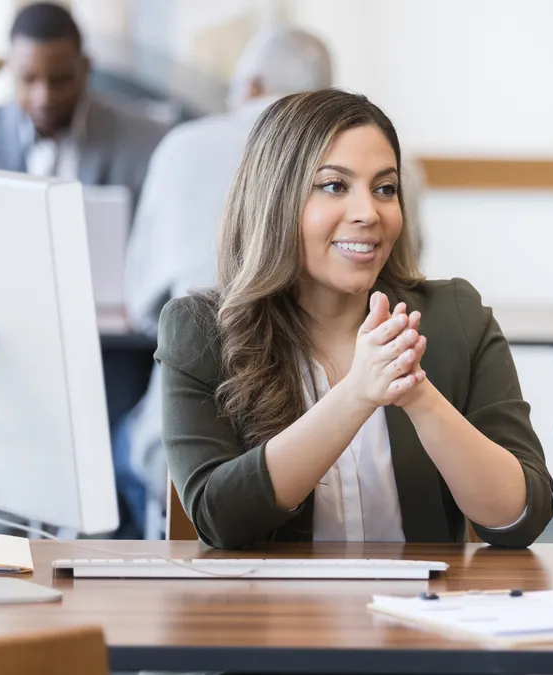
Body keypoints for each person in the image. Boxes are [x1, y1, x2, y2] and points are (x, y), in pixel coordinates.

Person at [157, 89, 553, 549]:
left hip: (419, 612)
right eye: (334, 186)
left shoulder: (456, 317)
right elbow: (217, 519)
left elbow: (520, 518)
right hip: (271, 616)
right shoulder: (200, 330)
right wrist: (356, 394)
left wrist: (418, 395)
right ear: (274, 199)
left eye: (385, 189)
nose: (369, 213)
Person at [117, 27, 335, 537]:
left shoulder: (184, 146)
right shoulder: (388, 164)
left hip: (201, 427)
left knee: (127, 440)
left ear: (252, 84)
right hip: (341, 409)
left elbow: (141, 304)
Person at [0, 2, 167, 211]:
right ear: (10, 70)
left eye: (61, 80)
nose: (44, 97)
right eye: (28, 79)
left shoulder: (146, 141)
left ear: (86, 68)